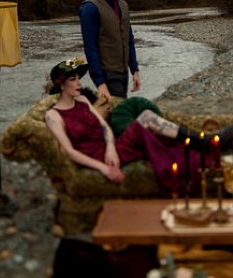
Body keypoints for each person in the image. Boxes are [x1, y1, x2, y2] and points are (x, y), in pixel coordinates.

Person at [42, 58, 209, 186]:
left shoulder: (83, 100)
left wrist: (111, 148)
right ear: (61, 84)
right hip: (98, 158)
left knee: (147, 117)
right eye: (73, 79)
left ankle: (203, 140)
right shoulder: (53, 116)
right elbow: (69, 151)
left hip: (111, 149)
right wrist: (104, 168)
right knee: (147, 121)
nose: (79, 83)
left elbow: (104, 127)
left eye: (79, 78)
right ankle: (204, 141)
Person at [79, 0, 140, 103]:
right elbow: (90, 47)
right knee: (119, 116)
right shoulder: (90, 8)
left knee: (118, 114)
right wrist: (100, 83)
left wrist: (135, 70)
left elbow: (129, 39)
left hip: (123, 71)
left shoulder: (123, 5)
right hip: (107, 73)